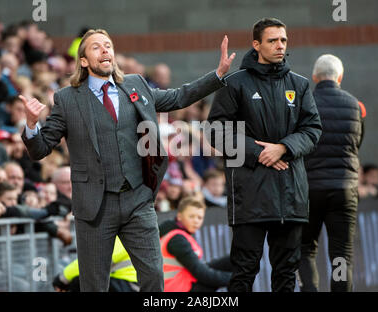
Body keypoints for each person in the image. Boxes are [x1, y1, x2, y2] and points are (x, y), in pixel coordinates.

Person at [20, 28, 235, 292]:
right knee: (94, 285)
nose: (105, 50)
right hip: (95, 206)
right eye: (96, 47)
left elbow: (179, 96)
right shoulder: (67, 99)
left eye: (108, 45)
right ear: (84, 61)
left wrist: (217, 75)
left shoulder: (136, 85)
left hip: (138, 200)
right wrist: (32, 125)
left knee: (154, 277)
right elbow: (40, 149)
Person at [207, 17, 322, 292]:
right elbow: (216, 131)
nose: (280, 46)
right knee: (244, 272)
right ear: (256, 44)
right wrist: (258, 152)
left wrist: (283, 147)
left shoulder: (300, 84)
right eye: (272, 41)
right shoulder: (234, 84)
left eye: (283, 40)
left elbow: (313, 129)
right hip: (250, 195)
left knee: (286, 274)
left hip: (291, 196)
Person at [299, 54, 365, 291]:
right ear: (340, 76)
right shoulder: (355, 105)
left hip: (310, 189)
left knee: (305, 248)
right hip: (344, 190)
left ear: (315, 77)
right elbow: (356, 144)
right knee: (341, 254)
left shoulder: (304, 104)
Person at [159, 196, 232, 292]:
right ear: (179, 216)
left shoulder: (176, 234)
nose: (196, 221)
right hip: (179, 288)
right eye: (191, 216)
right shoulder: (177, 239)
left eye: (199, 217)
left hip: (183, 282)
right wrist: (234, 278)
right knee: (224, 277)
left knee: (233, 259)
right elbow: (201, 273)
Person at [52, 236, 139, 292]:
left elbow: (92, 262)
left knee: (78, 282)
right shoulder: (137, 234)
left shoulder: (122, 237)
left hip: (130, 286)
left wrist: (61, 279)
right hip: (132, 285)